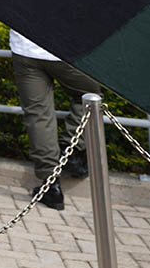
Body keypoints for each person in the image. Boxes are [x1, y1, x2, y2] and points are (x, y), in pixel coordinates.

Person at [10, 29, 101, 211]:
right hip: (67, 49)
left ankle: (51, 186)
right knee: (90, 97)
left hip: (25, 48)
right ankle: (71, 153)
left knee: (37, 115)